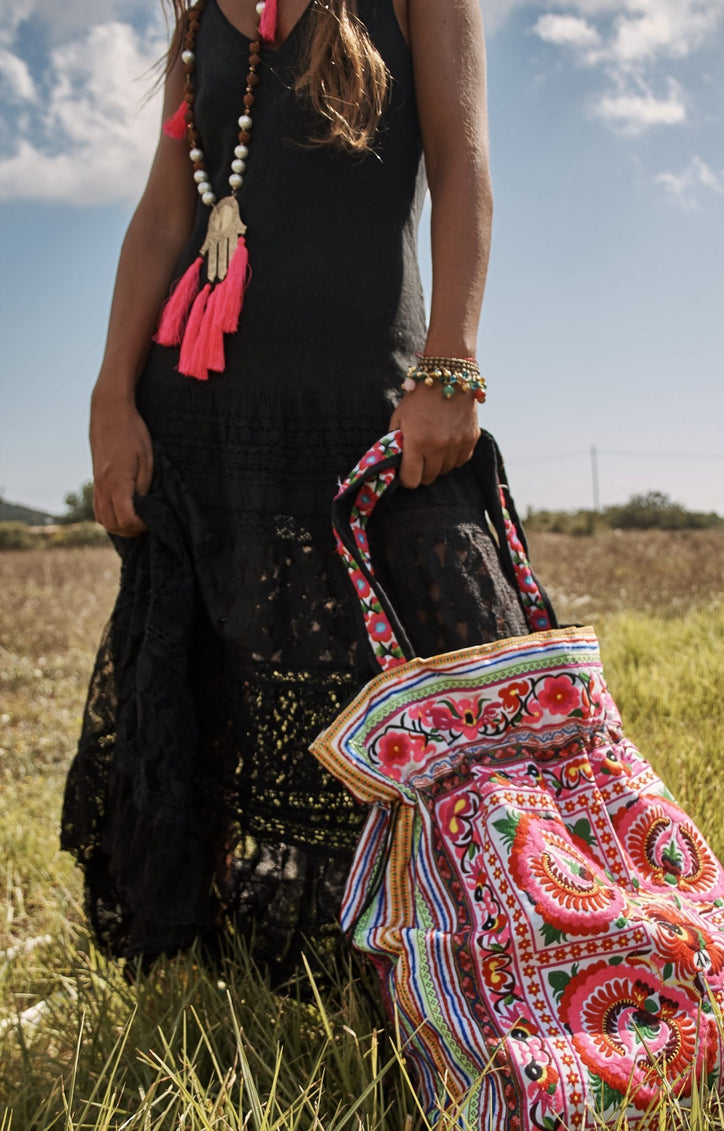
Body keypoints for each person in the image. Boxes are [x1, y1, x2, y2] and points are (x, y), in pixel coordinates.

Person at [62, 0, 531, 981]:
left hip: (370, 413)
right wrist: (111, 398)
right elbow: (164, 218)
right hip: (201, 421)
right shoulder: (199, 18)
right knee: (223, 697)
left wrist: (449, 365)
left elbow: (463, 167)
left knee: (443, 706)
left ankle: (487, 956)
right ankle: (245, 974)